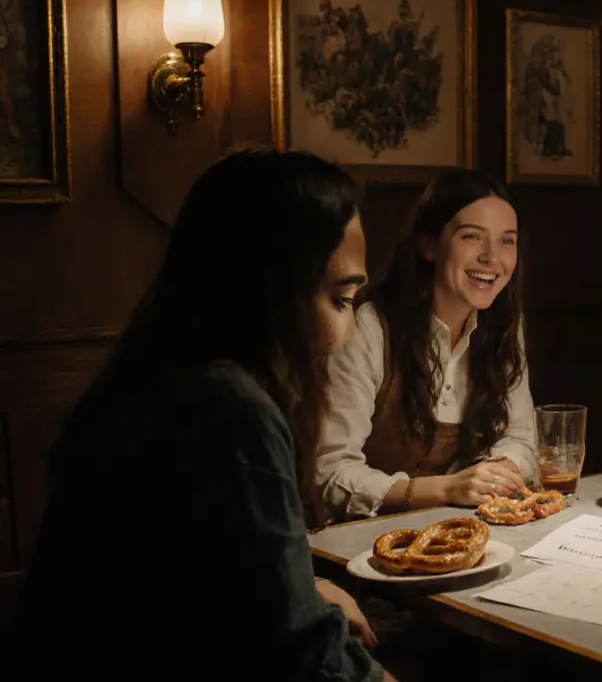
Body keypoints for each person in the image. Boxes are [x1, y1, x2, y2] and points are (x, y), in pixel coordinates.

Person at [17, 150, 393, 680]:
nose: (349, 330)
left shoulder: (159, 376)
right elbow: (301, 652)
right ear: (269, 288)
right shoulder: (228, 408)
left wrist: (306, 589)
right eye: (341, 299)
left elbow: (184, 571)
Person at [317, 169, 534, 521]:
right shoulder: (370, 327)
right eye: (472, 237)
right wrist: (447, 488)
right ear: (429, 245)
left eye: (507, 241)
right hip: (365, 543)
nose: (492, 258)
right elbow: (331, 473)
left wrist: (497, 472)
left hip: (468, 532)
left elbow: (522, 439)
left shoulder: (503, 325)